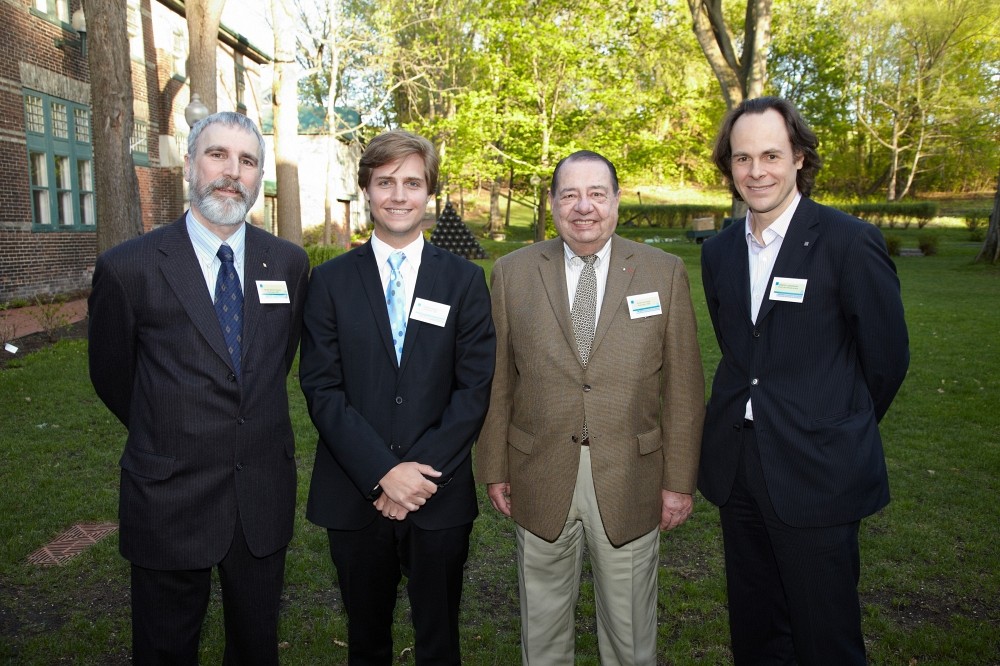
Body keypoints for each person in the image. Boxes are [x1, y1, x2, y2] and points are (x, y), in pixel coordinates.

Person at [88, 111, 310, 664]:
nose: (232, 172)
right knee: (164, 650)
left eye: (248, 161)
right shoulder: (129, 267)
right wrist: (170, 427)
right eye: (218, 155)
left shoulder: (287, 263)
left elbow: (271, 362)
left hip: (260, 495)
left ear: (259, 179)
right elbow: (112, 376)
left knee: (256, 648)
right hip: (168, 495)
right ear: (189, 165)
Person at [699, 96, 910, 665]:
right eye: (742, 159)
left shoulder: (848, 241)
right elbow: (740, 350)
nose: (756, 171)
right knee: (755, 626)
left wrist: (833, 426)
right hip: (739, 468)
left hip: (818, 470)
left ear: (799, 159)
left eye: (771, 154)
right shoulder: (718, 252)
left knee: (826, 634)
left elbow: (886, 359)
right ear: (729, 169)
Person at [475, 150, 705, 665]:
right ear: (552, 203)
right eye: (570, 194)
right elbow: (496, 382)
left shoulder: (662, 273)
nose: (584, 207)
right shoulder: (512, 274)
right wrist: (493, 468)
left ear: (617, 201)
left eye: (597, 194)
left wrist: (679, 481)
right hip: (538, 472)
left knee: (629, 635)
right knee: (544, 632)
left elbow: (685, 390)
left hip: (632, 478)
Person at [299, 130, 496, 665]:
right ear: (365, 189)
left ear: (429, 192)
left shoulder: (464, 281)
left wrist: (415, 474)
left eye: (412, 182)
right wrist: (382, 472)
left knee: (440, 638)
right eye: (385, 182)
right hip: (354, 492)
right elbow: (321, 387)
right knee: (366, 639)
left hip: (439, 493)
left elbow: (474, 388)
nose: (399, 195)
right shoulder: (330, 281)